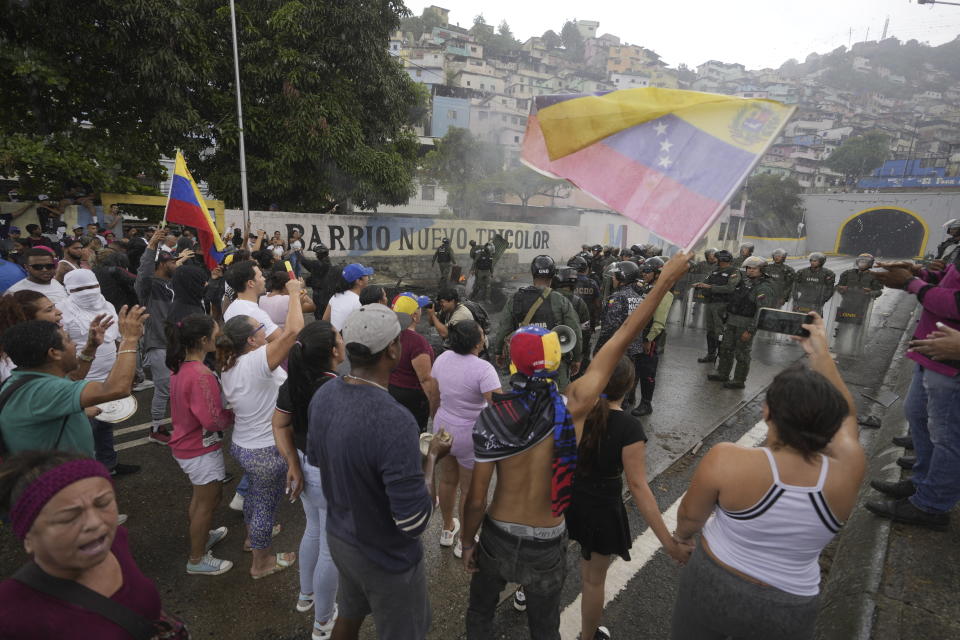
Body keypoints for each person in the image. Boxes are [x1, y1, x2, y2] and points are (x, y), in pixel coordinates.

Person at [461, 252, 692, 639]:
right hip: (548, 537)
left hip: (498, 534)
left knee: (480, 615)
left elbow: (474, 499)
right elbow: (621, 340)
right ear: (556, 361)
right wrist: (664, 281)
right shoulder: (574, 407)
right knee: (544, 625)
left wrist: (469, 542)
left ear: (512, 363)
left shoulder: (494, 416)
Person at [671, 313, 865, 640]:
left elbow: (690, 517)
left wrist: (682, 538)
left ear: (767, 412)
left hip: (715, 582)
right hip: (791, 603)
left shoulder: (728, 458)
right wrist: (820, 353)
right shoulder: (849, 467)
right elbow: (847, 416)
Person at [307, 304, 451, 639]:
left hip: (342, 538)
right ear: (392, 349)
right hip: (386, 556)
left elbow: (320, 459)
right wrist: (431, 459)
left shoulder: (325, 394)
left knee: (350, 614)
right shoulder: (395, 419)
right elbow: (414, 521)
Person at [567, 356, 692, 640]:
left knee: (548, 561)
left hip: (568, 499)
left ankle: (525, 597)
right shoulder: (628, 427)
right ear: (629, 386)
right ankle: (587, 637)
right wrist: (669, 542)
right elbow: (638, 487)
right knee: (593, 581)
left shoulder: (576, 411)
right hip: (601, 508)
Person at [0, 451, 175, 639]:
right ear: (28, 538)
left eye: (103, 503)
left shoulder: (116, 542)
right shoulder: (10, 611)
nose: (95, 523)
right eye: (69, 517)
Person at [218, 277, 304, 578]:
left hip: (244, 445)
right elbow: (293, 331)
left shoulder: (229, 362)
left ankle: (251, 539)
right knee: (266, 504)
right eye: (260, 329)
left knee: (256, 495)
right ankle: (261, 562)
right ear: (252, 340)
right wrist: (294, 293)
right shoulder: (256, 361)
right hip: (265, 449)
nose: (265, 332)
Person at [866, 259, 960, 529]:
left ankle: (932, 505)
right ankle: (921, 481)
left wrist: (911, 283)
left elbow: (956, 301)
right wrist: (922, 273)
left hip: (952, 362)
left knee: (948, 437)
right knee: (917, 414)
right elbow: (949, 280)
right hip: (932, 351)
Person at [272, 321, 343, 640]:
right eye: (340, 337)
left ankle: (306, 596)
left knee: (312, 528)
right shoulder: (337, 390)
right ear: (332, 351)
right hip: (328, 474)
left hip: (301, 466)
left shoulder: (293, 381)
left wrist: (293, 464)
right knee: (331, 548)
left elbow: (280, 425)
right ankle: (323, 620)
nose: (343, 341)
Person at [0, 306, 147, 456]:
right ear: (54, 353)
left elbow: (73, 378)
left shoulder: (29, 377)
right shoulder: (43, 390)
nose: (75, 344)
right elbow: (116, 389)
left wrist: (90, 348)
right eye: (68, 339)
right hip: (62, 476)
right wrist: (129, 339)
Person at [166, 314, 235, 576]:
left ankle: (202, 535)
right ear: (204, 340)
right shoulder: (201, 375)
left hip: (186, 445)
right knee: (207, 501)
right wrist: (233, 414)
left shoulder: (179, 367)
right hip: (199, 448)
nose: (218, 339)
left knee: (201, 498)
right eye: (215, 335)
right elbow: (213, 419)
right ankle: (197, 558)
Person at [430, 320, 502, 559]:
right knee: (469, 490)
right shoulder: (483, 369)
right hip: (471, 433)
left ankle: (447, 528)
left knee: (448, 480)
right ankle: (465, 541)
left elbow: (435, 393)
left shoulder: (441, 359)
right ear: (477, 342)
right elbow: (498, 406)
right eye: (481, 335)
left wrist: (436, 420)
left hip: (443, 427)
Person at [61, 269, 140, 477]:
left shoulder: (107, 305)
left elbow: (114, 338)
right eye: (80, 289)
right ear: (69, 290)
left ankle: (109, 464)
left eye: (91, 287)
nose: (88, 293)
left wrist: (122, 370)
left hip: (109, 375)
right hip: (81, 381)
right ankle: (89, 474)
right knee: (85, 431)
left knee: (106, 425)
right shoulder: (63, 312)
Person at [493, 255, 582, 390]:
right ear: (553, 276)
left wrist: (498, 351)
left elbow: (504, 327)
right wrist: (576, 358)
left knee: (524, 399)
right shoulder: (560, 300)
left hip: (524, 362)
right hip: (555, 363)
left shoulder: (516, 298)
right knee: (558, 401)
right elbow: (574, 330)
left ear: (533, 273)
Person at [136, 229, 181, 444]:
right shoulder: (150, 286)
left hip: (174, 345)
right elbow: (143, 274)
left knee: (177, 390)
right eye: (173, 262)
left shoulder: (171, 285)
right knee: (164, 390)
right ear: (163, 264)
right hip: (158, 345)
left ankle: (177, 425)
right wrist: (151, 245)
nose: (176, 265)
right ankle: (155, 429)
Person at [708, 256, 777, 389]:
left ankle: (739, 380)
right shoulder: (744, 282)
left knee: (742, 353)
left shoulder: (764, 287)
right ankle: (722, 373)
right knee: (726, 348)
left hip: (746, 324)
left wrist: (750, 330)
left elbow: (761, 311)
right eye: (748, 268)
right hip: (732, 320)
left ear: (761, 270)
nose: (750, 271)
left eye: (754, 268)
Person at [388, 293, 439, 433]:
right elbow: (426, 380)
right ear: (415, 316)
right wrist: (435, 412)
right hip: (411, 399)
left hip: (389, 391)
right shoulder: (417, 342)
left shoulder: (387, 332)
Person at [632, 257, 673, 417]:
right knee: (635, 368)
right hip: (638, 336)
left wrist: (649, 339)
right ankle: (630, 397)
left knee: (647, 372)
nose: (644, 274)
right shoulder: (645, 288)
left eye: (648, 271)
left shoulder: (664, 293)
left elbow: (659, 323)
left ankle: (646, 403)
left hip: (649, 339)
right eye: (643, 271)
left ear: (657, 274)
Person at [692, 249, 739, 364]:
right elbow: (706, 282)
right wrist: (700, 285)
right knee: (710, 330)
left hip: (722, 305)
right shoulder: (715, 271)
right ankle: (711, 354)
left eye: (717, 259)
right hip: (711, 303)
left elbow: (730, 288)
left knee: (720, 331)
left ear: (723, 260)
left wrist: (710, 287)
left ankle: (722, 357)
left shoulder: (733, 272)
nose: (715, 260)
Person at [224, 260, 282, 341]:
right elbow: (284, 340)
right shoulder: (254, 314)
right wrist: (294, 295)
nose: (264, 279)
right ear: (251, 283)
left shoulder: (230, 309)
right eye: (261, 276)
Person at [322, 263, 374, 331]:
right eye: (366, 275)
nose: (368, 277)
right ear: (359, 281)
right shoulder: (359, 302)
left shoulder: (335, 296)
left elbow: (324, 321)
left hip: (335, 338)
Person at [835, 253, 883, 324]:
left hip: (862, 305)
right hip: (846, 303)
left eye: (864, 262)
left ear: (869, 264)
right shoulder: (847, 273)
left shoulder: (874, 276)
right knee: (841, 324)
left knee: (856, 325)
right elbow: (837, 287)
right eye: (861, 261)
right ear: (857, 262)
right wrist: (841, 289)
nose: (862, 264)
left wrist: (870, 293)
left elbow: (879, 291)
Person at [793, 252, 836, 317]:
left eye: (815, 261)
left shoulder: (828, 274)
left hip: (817, 303)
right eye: (811, 260)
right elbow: (795, 287)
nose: (812, 262)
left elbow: (830, 289)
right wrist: (796, 299)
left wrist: (822, 300)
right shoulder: (802, 272)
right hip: (803, 300)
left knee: (813, 321)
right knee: (798, 319)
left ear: (821, 262)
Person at [301, 243, 332, 313]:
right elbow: (314, 276)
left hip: (321, 295)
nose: (316, 255)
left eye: (317, 253)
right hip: (323, 294)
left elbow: (305, 263)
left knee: (320, 314)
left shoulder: (320, 264)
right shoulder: (326, 262)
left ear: (320, 254)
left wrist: (297, 253)